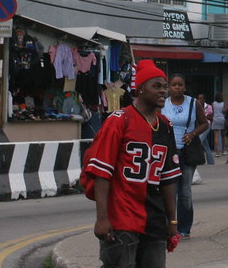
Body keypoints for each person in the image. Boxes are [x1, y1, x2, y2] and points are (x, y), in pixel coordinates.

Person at [81, 59, 181, 268]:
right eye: (156, 86)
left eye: (165, 87)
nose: (163, 91)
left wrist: (172, 220)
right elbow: (101, 172)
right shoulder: (119, 120)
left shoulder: (165, 125)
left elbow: (168, 178)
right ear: (141, 89)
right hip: (122, 216)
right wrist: (102, 218)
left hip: (154, 217)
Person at [160, 74, 208, 238]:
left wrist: (193, 133)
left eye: (180, 85)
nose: (177, 88)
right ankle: (170, 226)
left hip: (187, 153)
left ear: (185, 87)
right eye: (174, 85)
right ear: (169, 87)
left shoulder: (193, 103)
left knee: (185, 192)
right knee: (170, 191)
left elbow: (205, 123)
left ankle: (184, 229)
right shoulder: (163, 104)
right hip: (169, 153)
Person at [197, 94, 215, 166]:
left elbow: (211, 118)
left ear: (204, 99)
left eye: (201, 98)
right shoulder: (197, 106)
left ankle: (198, 159)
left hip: (207, 125)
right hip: (199, 126)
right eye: (198, 98)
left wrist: (205, 116)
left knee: (199, 141)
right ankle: (211, 161)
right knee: (206, 145)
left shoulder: (208, 107)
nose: (199, 100)